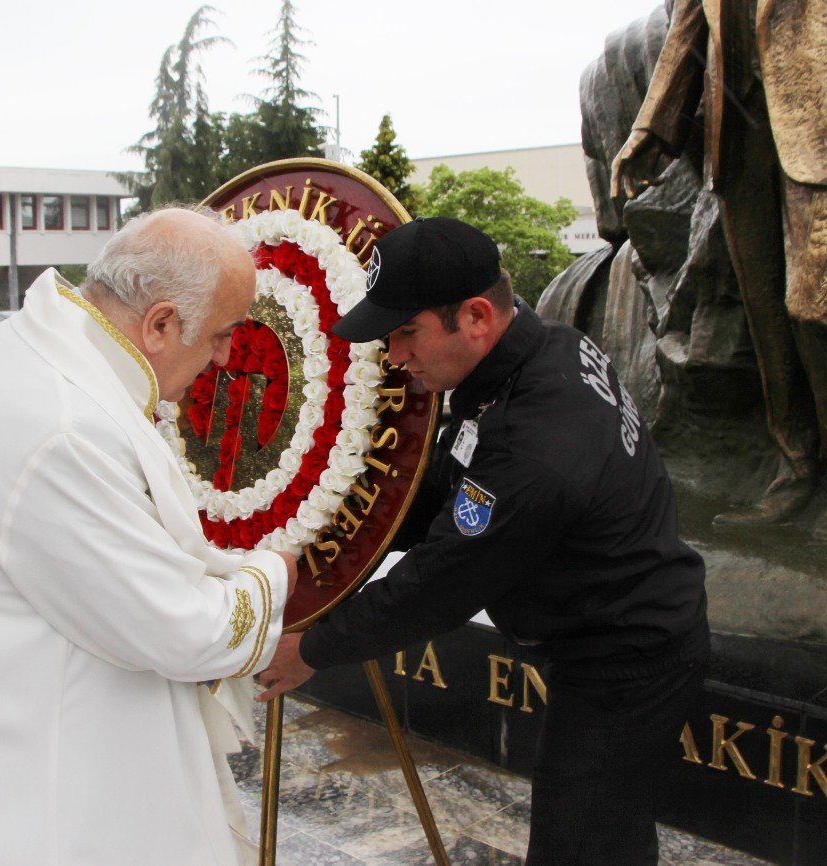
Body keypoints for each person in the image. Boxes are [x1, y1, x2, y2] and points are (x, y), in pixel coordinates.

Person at [258, 217, 710, 865]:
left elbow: (443, 582)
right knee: (607, 835)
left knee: (578, 847)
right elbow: (445, 487)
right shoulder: (529, 357)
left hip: (628, 657)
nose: (394, 356)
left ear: (474, 316)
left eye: (406, 333)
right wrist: (334, 542)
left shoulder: (537, 441)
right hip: (604, 630)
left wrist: (314, 648)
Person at [0, 207, 297, 866]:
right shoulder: (62, 427)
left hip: (13, 738)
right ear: (161, 323)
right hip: (63, 801)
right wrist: (278, 570)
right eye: (224, 334)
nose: (228, 357)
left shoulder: (20, 356)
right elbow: (186, 631)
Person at [611, 0, 827, 531]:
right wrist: (649, 133)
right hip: (739, 138)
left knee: (812, 308)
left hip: (816, 120)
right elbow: (689, 28)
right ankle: (795, 467)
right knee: (766, 317)